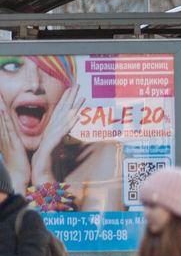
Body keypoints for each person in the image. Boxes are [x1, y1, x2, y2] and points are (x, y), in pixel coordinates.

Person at [0, 54, 123, 212]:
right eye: (12, 67)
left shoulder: (103, 156)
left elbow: (103, 235)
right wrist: (15, 177)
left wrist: (44, 177)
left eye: (49, 70)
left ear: (68, 87)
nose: (34, 84)